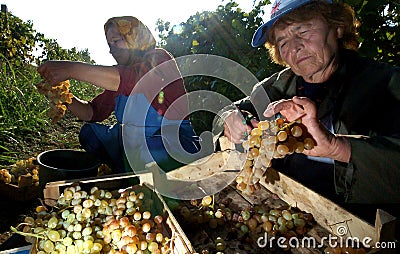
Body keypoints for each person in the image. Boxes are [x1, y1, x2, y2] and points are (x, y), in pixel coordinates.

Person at [216, 0, 400, 206]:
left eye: (302, 31)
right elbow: (231, 111)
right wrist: (228, 117)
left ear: (337, 27)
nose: (294, 48)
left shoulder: (388, 85)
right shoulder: (273, 88)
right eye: (283, 42)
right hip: (289, 212)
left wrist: (338, 148)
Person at [38, 16, 200, 174]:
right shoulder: (118, 78)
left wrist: (71, 69)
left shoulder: (159, 58)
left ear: (135, 38)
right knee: (90, 133)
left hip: (172, 141)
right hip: (137, 142)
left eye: (116, 41)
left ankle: (143, 175)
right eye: (109, 44)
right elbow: (92, 112)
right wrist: (64, 97)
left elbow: (134, 80)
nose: (111, 50)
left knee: (145, 151)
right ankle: (129, 170)